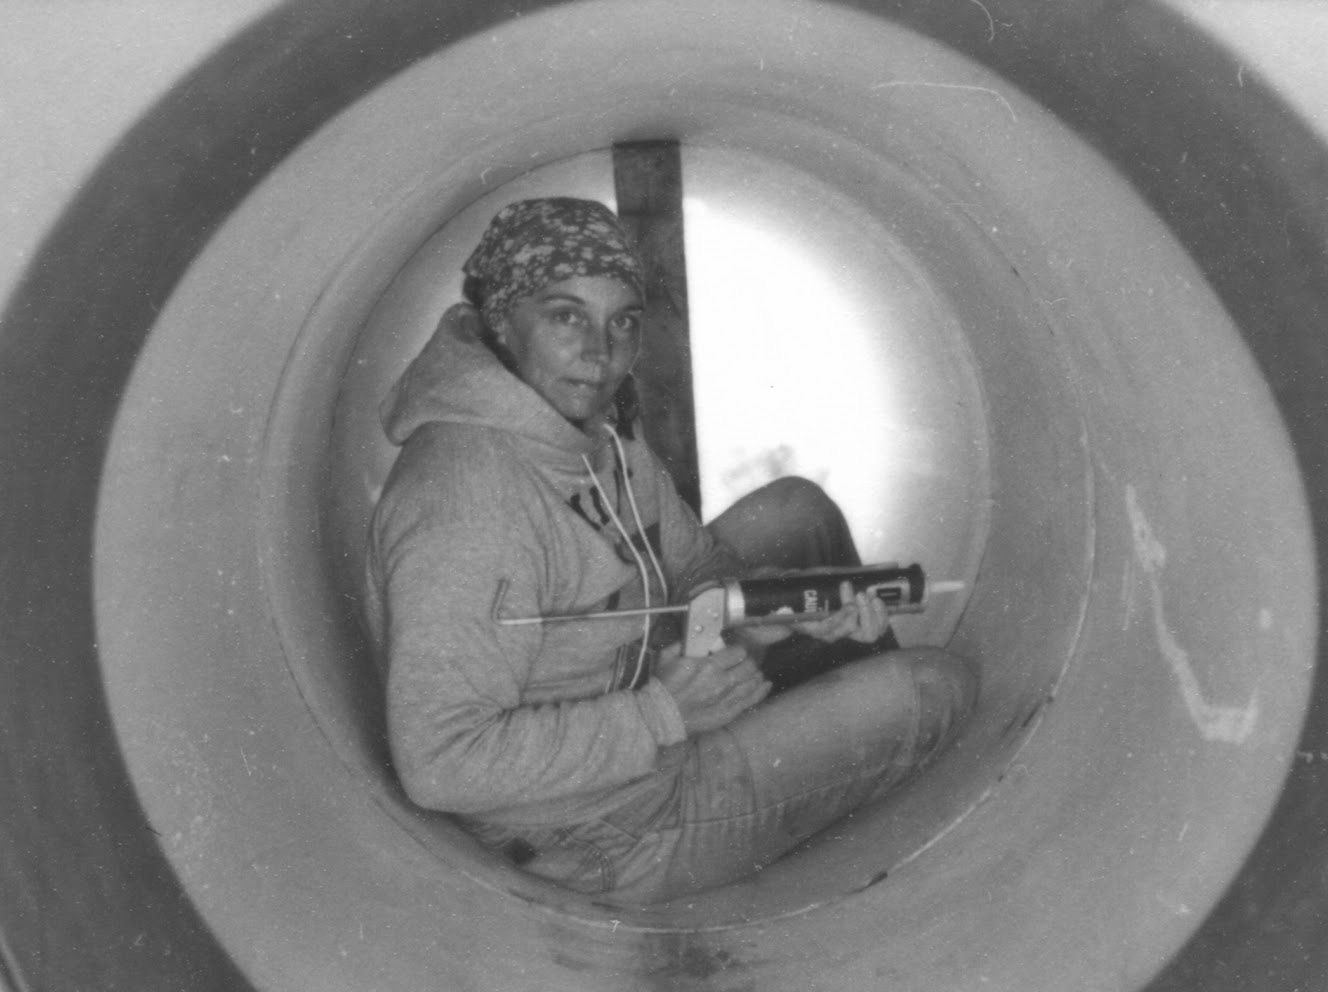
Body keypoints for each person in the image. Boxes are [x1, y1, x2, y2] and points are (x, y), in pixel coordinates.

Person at [363, 197, 976, 903]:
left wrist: (771, 613)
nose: (602, 353)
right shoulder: (465, 506)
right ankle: (840, 737)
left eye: (621, 321)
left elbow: (695, 572)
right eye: (566, 317)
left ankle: (822, 712)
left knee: (796, 513)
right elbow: (440, 762)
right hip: (604, 827)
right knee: (938, 690)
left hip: (645, 682)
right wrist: (663, 714)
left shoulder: (585, 422)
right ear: (502, 318)